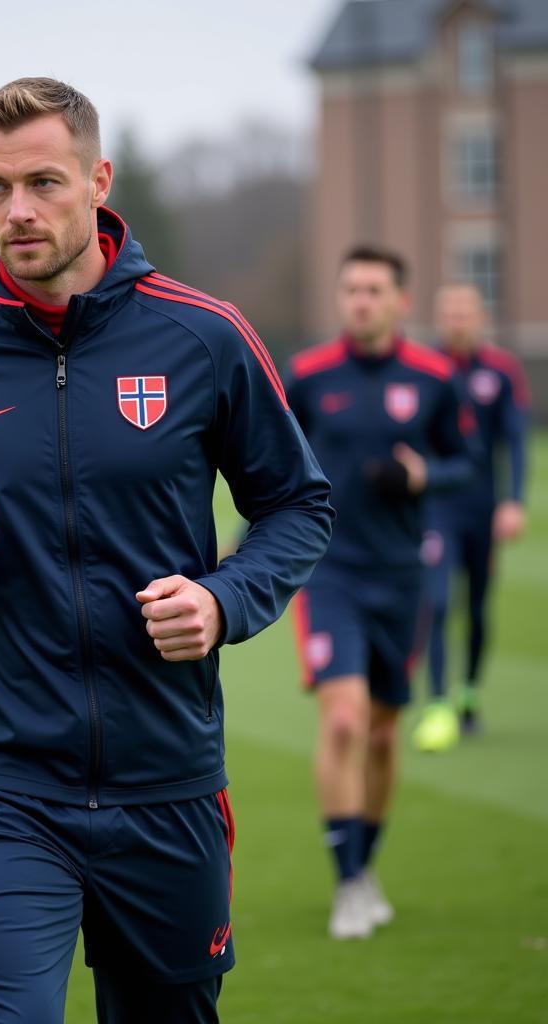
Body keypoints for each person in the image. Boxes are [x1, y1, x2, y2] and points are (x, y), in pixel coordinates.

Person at [0, 78, 333, 1023]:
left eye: (43, 183)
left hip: (165, 779)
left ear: (98, 180)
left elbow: (297, 505)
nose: (16, 212)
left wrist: (225, 601)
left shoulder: (205, 336)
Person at [285, 246, 477, 940]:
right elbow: (270, 466)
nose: (361, 300)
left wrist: (427, 477)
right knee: (343, 720)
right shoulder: (307, 376)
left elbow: (467, 463)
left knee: (385, 731)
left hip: (403, 575)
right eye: (351, 289)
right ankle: (345, 886)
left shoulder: (432, 378)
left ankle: (364, 868)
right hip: (329, 571)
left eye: (375, 289)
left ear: (401, 300)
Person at [412, 283, 531, 751]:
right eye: (450, 311)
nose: (458, 318)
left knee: (478, 606)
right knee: (438, 603)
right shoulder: (427, 369)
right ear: (439, 317)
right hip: (438, 506)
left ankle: (469, 691)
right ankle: (438, 702)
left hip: (483, 506)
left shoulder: (502, 371)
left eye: (466, 310)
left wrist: (513, 500)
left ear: (481, 316)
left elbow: (516, 441)